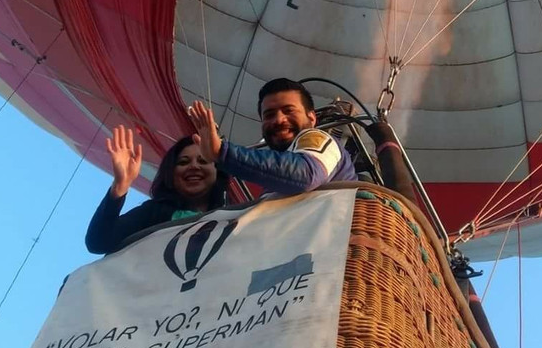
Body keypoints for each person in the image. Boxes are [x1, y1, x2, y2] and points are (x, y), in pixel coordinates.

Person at [187, 77, 357, 197]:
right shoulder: (274, 180)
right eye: (269, 115)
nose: (278, 120)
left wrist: (222, 153)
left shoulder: (318, 138)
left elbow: (305, 174)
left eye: (289, 110)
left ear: (312, 118)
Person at [85, 126, 228, 254]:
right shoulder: (154, 212)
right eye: (183, 162)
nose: (194, 166)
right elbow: (98, 242)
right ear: (171, 173)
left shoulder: (233, 218)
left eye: (203, 161)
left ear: (218, 172)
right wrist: (120, 185)